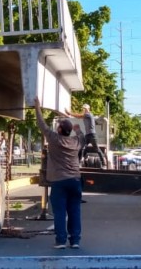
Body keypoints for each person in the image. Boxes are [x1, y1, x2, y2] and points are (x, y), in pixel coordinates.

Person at [35, 96, 82, 249]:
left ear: (59, 130)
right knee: (75, 210)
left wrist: (37, 107)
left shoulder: (54, 139)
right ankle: (75, 240)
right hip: (75, 180)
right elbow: (83, 136)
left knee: (60, 211)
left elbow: (41, 124)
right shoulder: (76, 142)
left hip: (59, 181)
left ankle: (61, 240)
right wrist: (78, 129)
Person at [66, 103, 107, 168]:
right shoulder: (86, 115)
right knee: (82, 147)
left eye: (85, 109)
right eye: (84, 109)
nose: (84, 110)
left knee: (96, 149)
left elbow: (79, 116)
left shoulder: (88, 114)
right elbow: (79, 116)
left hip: (92, 135)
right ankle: (79, 163)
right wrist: (70, 115)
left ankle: (104, 164)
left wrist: (69, 113)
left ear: (88, 109)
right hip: (88, 135)